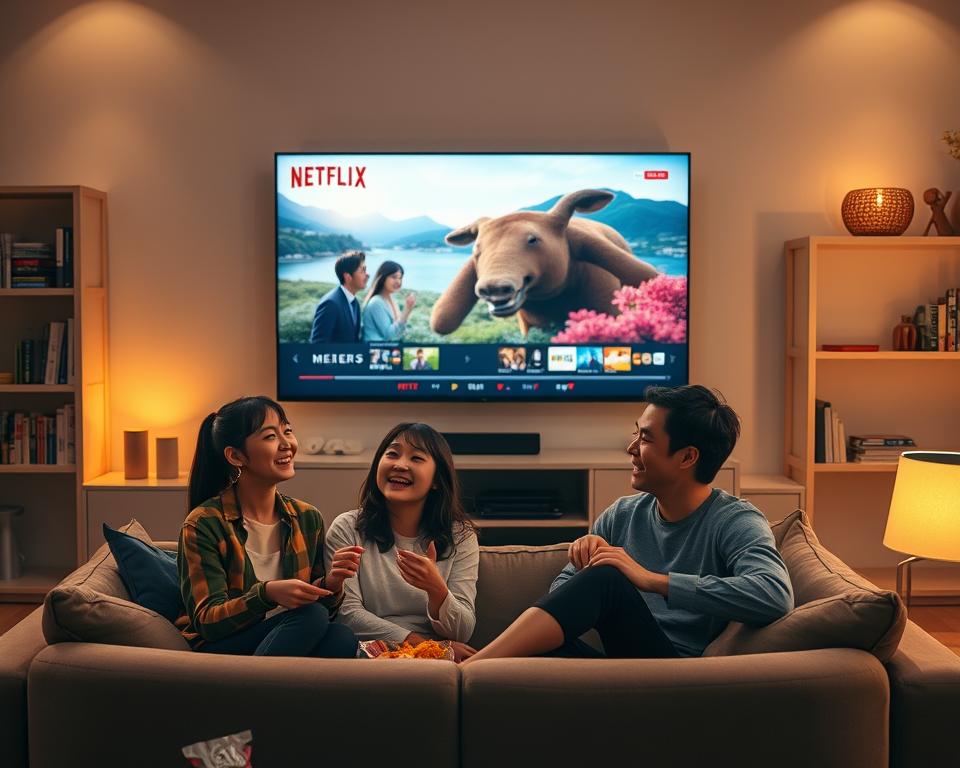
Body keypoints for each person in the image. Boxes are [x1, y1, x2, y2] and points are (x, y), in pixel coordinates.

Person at [463, 384, 793, 664]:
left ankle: (470, 669)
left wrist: (653, 581)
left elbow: (774, 595)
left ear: (687, 457)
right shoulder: (622, 513)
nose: (631, 447)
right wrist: (582, 563)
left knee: (607, 577)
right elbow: (562, 602)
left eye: (646, 439)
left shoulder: (735, 519)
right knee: (528, 650)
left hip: (677, 672)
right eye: (636, 432)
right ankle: (479, 668)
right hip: (619, 665)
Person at [177, 395, 363, 657]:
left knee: (340, 637)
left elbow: (324, 611)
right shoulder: (204, 523)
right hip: (221, 647)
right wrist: (266, 594)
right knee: (311, 617)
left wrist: (331, 584)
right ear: (236, 456)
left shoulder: (307, 518)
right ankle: (254, 693)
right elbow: (207, 622)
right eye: (270, 437)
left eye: (287, 431)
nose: (287, 444)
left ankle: (269, 693)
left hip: (287, 635)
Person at [325, 423, 479, 662]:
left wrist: (436, 589)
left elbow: (462, 631)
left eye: (416, 458)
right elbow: (347, 614)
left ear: (437, 480)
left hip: (439, 660)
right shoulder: (348, 527)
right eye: (392, 454)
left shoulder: (461, 536)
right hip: (368, 652)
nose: (400, 464)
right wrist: (428, 647)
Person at [309, 251, 369, 343]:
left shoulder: (354, 302)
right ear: (348, 276)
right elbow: (318, 345)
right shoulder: (330, 304)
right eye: (362, 271)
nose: (367, 275)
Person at [362, 260, 417, 342]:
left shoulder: (391, 298)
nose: (398, 281)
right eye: (394, 277)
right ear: (382, 278)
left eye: (400, 278)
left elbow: (398, 331)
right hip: (374, 351)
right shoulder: (376, 302)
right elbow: (390, 335)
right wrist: (407, 310)